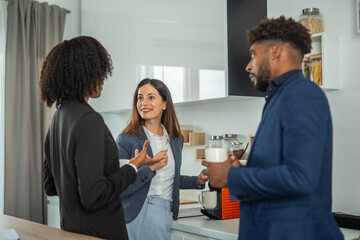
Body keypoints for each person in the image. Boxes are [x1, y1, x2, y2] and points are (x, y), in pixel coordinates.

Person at [202, 16, 344, 240]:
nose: (249, 65)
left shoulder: (303, 94)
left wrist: (232, 176)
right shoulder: (279, 98)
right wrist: (239, 171)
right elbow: (278, 176)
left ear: (275, 51)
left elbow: (300, 178)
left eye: (253, 54)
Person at [41, 36, 161, 240]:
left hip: (71, 232)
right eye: (98, 70)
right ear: (83, 74)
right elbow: (94, 196)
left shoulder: (57, 120)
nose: (103, 77)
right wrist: (133, 167)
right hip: (100, 233)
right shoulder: (89, 120)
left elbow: (50, 186)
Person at [116, 78, 208, 240]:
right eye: (140, 98)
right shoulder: (126, 139)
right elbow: (119, 187)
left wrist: (197, 181)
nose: (143, 103)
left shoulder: (175, 139)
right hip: (133, 213)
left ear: (165, 104)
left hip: (163, 211)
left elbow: (170, 178)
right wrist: (150, 168)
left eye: (151, 97)